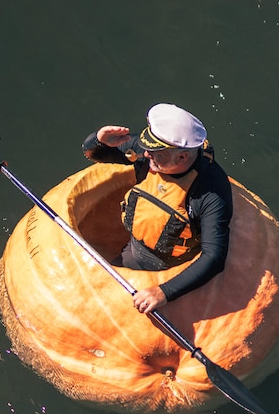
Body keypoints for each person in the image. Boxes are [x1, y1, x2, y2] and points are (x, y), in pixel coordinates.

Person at [82, 103, 233, 315]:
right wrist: (98, 140)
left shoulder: (212, 192)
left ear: (182, 157)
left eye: (154, 152)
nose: (145, 154)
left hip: (172, 267)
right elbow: (96, 153)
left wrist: (164, 292)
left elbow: (214, 257)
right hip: (134, 251)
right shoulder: (150, 153)